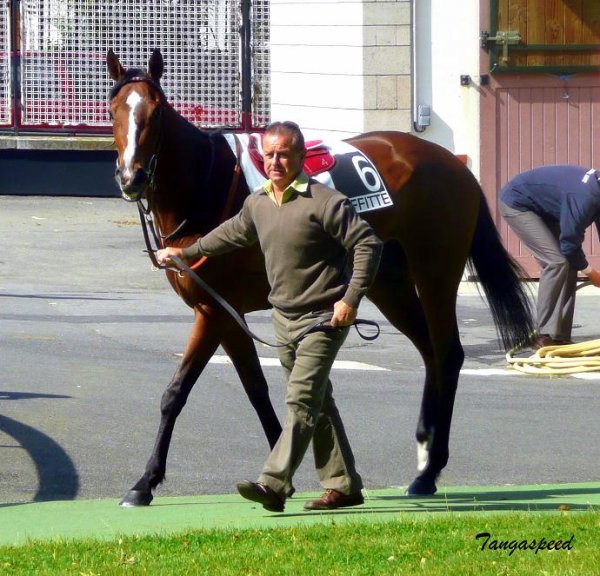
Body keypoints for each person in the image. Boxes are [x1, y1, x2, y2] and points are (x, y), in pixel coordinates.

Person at [156, 121, 382, 512]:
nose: (276, 162)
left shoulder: (326, 202)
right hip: (284, 320)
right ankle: (344, 485)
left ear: (300, 157)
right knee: (319, 402)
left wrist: (351, 299)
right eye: (270, 155)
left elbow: (368, 243)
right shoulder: (259, 203)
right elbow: (229, 234)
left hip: (323, 318)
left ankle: (274, 484)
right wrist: (184, 254)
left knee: (300, 401)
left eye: (284, 155)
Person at [499, 165, 600, 350]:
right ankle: (543, 334)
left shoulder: (596, 192)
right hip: (518, 204)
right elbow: (570, 244)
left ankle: (558, 335)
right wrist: (592, 273)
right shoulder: (584, 198)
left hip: (547, 210)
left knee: (569, 263)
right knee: (556, 262)